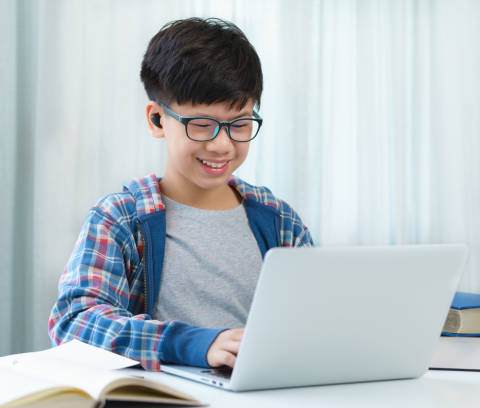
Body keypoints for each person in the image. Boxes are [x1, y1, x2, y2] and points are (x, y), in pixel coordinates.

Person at [48, 17, 313, 371]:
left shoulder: (278, 220)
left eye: (240, 124)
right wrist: (192, 344)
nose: (222, 145)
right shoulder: (121, 218)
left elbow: (314, 322)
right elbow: (73, 322)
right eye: (202, 125)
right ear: (157, 120)